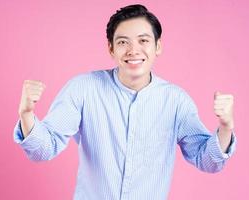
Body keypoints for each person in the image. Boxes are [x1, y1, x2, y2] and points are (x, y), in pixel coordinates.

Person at [14, 4, 236, 200]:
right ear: (111, 48)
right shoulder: (83, 89)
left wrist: (225, 127)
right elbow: (43, 149)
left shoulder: (176, 101)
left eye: (143, 40)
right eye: (122, 42)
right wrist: (26, 114)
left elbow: (208, 161)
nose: (133, 50)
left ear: (157, 46)